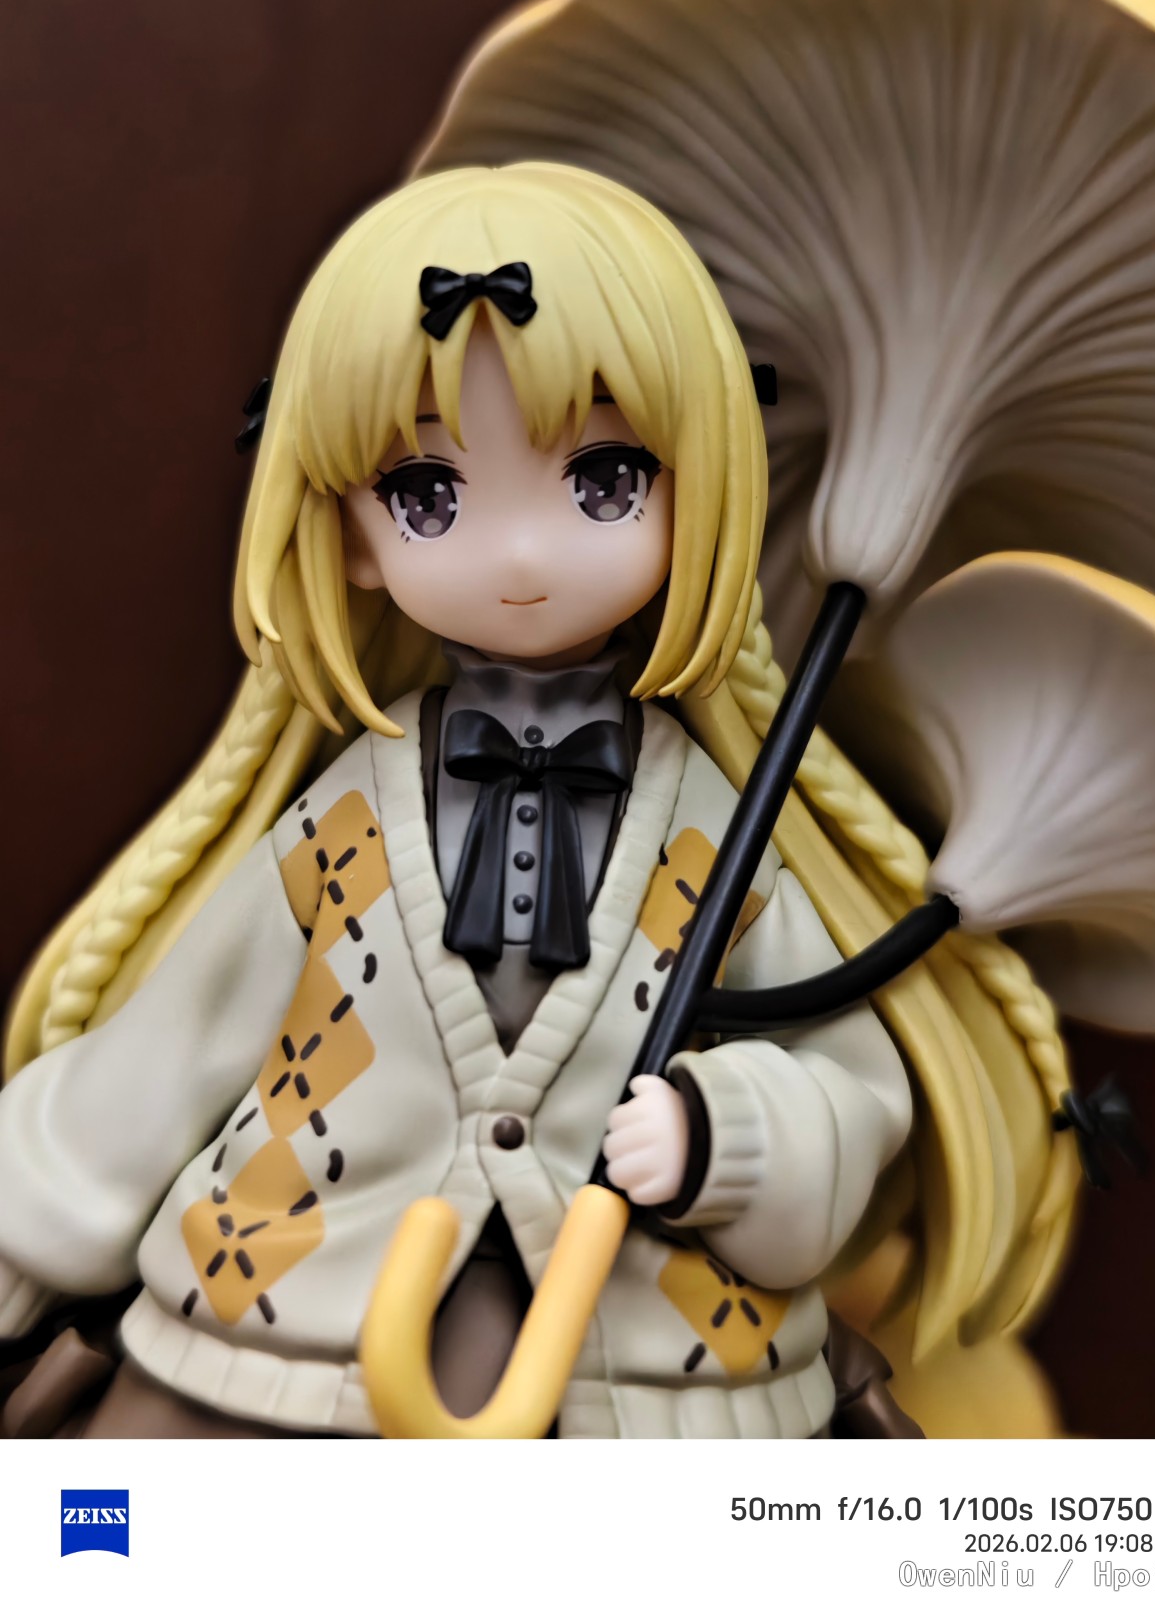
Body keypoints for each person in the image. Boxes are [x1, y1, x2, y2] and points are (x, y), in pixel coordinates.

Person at [0, 163, 1071, 1438]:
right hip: (296, 1341)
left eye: (605, 479)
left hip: (642, 1364)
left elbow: (844, 1081)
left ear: (700, 485)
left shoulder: (716, 836)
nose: (518, 554)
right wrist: (27, 1232)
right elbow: (169, 1055)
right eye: (427, 496)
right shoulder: (343, 823)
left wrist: (722, 1135)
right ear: (349, 534)